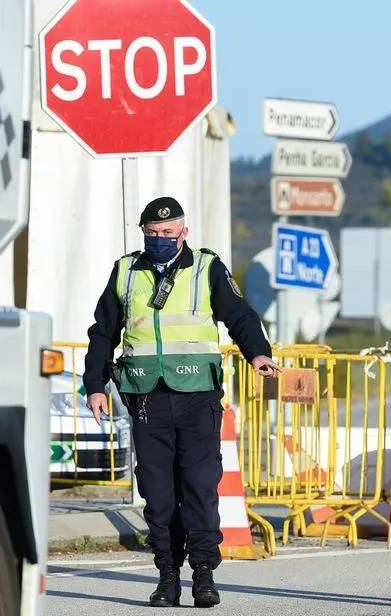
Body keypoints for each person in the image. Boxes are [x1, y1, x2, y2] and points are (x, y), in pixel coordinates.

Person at [82, 196, 280, 609]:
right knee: (157, 494)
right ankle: (167, 576)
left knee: (199, 489)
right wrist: (95, 385)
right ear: (143, 233)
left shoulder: (206, 268)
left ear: (183, 233)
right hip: (146, 398)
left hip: (198, 398)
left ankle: (204, 574)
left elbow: (240, 315)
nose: (159, 239)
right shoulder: (125, 271)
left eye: (167, 234)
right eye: (152, 234)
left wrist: (258, 352)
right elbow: (103, 332)